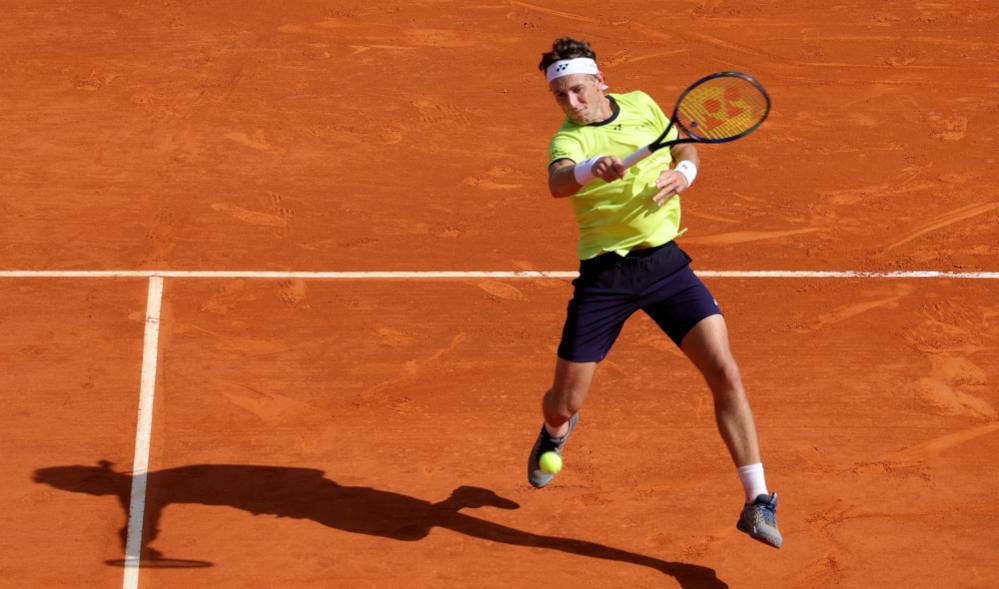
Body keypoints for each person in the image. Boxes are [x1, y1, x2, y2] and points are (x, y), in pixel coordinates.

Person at [527, 37, 782, 549]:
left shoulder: (642, 103)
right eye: (561, 97)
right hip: (606, 278)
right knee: (563, 401)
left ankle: (758, 502)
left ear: (600, 82)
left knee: (725, 371)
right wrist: (588, 169)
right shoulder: (568, 142)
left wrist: (683, 173)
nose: (571, 104)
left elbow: (683, 143)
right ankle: (556, 431)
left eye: (578, 91)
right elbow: (558, 182)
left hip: (666, 266)